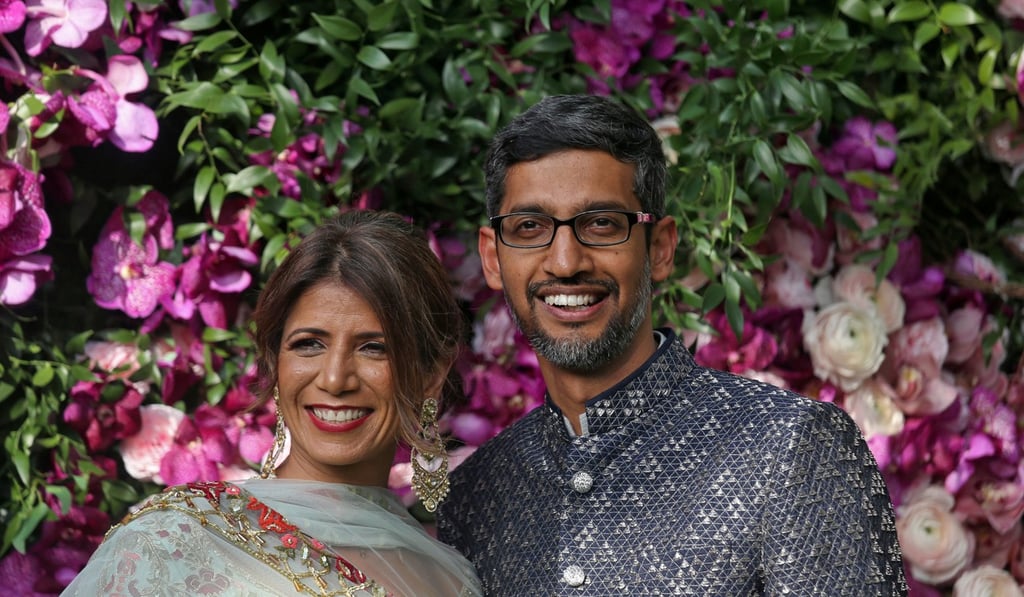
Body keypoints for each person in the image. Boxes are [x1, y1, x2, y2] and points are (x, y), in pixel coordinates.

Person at [437, 94, 908, 595]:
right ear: (492, 258)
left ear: (659, 248)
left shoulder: (789, 446)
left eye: (601, 224)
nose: (565, 261)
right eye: (529, 227)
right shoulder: (476, 497)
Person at [63, 210, 482, 596]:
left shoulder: (449, 580)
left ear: (431, 374)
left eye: (375, 348)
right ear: (274, 361)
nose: (335, 379)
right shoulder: (173, 541)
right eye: (308, 344)